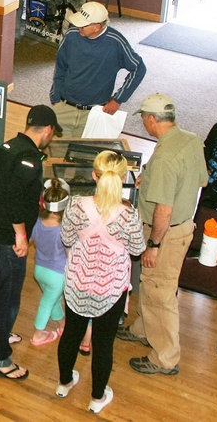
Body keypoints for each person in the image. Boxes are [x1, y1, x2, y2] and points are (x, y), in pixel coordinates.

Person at [117, 93, 208, 376]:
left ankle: (165, 357)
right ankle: (144, 328)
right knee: (149, 283)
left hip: (166, 232)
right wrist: (150, 174)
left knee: (160, 291)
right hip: (181, 225)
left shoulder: (167, 155)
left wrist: (154, 245)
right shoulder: (189, 139)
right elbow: (202, 179)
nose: (144, 123)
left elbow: (164, 211)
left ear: (151, 119)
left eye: (144, 119)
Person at [0, 105, 61, 381]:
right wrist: (21, 236)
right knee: (6, 295)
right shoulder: (30, 160)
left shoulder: (6, 147)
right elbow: (14, 201)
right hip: (6, 240)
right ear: (48, 130)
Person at [56, 151, 145, 414]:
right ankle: (96, 398)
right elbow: (138, 249)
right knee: (104, 344)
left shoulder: (75, 205)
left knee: (71, 334)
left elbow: (66, 239)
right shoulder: (129, 215)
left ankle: (63, 383)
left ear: (94, 175)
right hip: (111, 288)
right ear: (122, 178)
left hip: (77, 282)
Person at [49, 2, 146, 138]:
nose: (78, 27)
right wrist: (55, 96)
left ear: (97, 27)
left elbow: (139, 68)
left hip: (94, 113)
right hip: (64, 106)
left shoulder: (115, 42)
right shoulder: (71, 36)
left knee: (85, 156)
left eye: (83, 25)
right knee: (55, 152)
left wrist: (118, 99)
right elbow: (61, 67)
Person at [30, 180, 68, 347]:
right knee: (47, 303)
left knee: (53, 300)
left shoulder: (36, 222)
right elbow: (69, 253)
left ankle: (62, 325)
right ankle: (37, 335)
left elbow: (30, 239)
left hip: (39, 270)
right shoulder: (63, 229)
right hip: (57, 274)